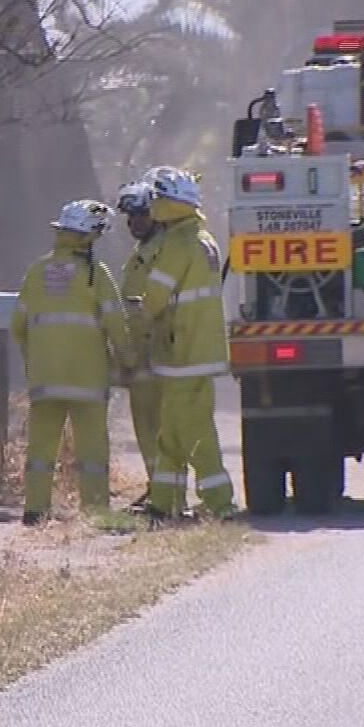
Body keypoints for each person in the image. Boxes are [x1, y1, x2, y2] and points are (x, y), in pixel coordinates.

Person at [10, 200, 132, 525]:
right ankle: (95, 512)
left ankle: (35, 511)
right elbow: (116, 324)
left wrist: (33, 363)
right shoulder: (96, 275)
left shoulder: (37, 271)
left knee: (40, 450)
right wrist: (129, 361)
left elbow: (18, 327)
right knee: (92, 451)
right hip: (87, 379)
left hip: (45, 378)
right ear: (88, 236)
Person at [135, 166, 235, 519]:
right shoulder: (204, 238)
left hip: (184, 353)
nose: (154, 206)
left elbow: (156, 296)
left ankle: (220, 505)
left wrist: (139, 320)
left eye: (158, 199)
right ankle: (163, 504)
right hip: (199, 350)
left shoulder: (178, 243)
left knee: (193, 433)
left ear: (170, 203)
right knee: (173, 431)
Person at [115, 178, 168, 503]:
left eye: (142, 216)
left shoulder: (162, 250)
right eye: (131, 218)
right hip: (139, 356)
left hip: (158, 353)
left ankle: (167, 491)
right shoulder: (140, 252)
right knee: (145, 429)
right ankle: (156, 486)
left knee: (158, 428)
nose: (135, 223)